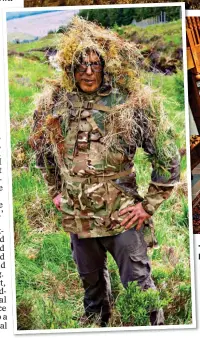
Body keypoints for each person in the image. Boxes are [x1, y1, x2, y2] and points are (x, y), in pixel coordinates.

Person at [29, 17, 180, 327]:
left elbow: (166, 156)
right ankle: (99, 326)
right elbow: (42, 152)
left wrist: (147, 205)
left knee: (140, 287)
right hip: (78, 216)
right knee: (92, 288)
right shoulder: (54, 104)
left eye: (94, 64)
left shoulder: (131, 103)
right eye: (81, 65)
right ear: (70, 68)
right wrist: (56, 192)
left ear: (105, 66)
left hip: (121, 214)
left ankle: (156, 330)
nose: (88, 71)